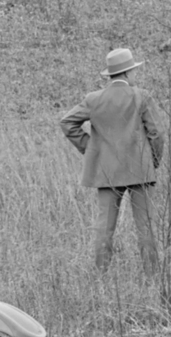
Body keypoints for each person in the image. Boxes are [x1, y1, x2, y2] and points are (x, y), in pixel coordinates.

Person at [60, 48, 164, 272]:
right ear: (127, 73)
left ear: (111, 75)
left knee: (104, 227)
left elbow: (67, 123)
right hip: (140, 170)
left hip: (105, 171)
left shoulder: (94, 99)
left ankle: (101, 275)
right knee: (146, 227)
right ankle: (153, 277)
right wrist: (152, 162)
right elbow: (156, 133)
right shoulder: (141, 96)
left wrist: (90, 149)